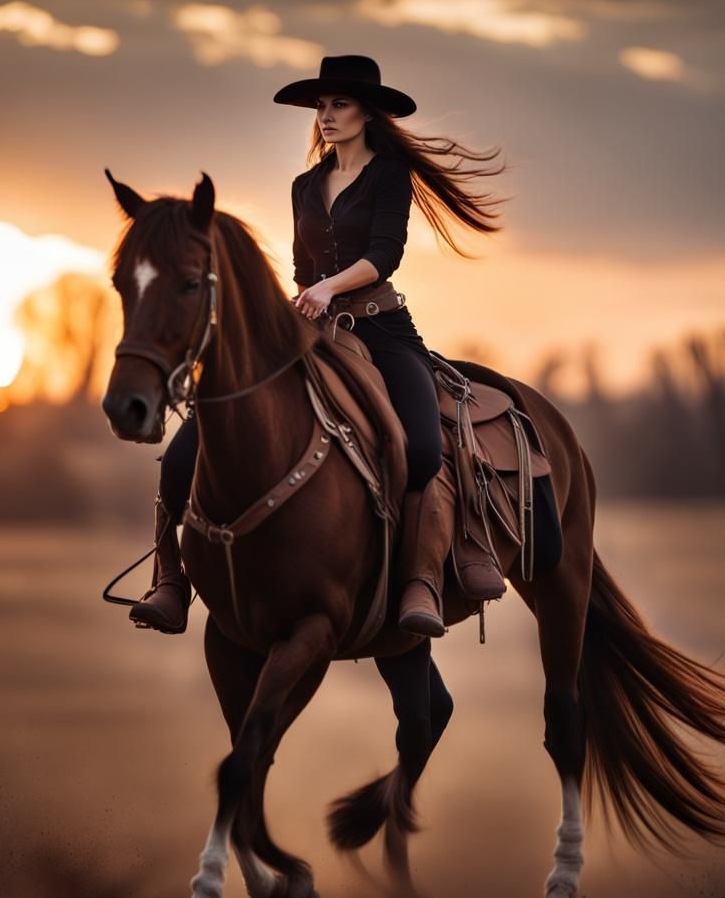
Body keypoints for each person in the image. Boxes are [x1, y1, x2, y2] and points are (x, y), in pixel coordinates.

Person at [129, 54, 505, 638]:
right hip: (307, 330)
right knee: (183, 454)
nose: (326, 116)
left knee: (425, 448)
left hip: (380, 327)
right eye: (322, 106)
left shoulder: (387, 175)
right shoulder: (305, 185)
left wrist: (328, 287)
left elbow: (384, 255)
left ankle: (423, 578)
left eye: (340, 104)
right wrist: (299, 301)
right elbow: (304, 267)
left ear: (366, 113)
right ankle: (170, 578)